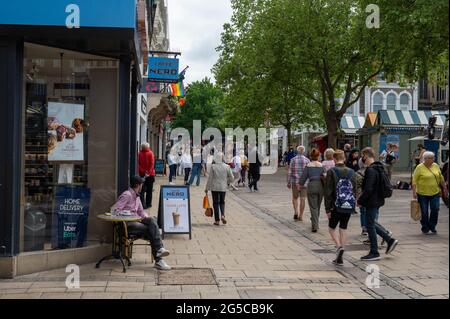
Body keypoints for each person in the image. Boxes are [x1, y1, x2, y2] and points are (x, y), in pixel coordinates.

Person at [112, 176, 171, 270]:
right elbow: (114, 210)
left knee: (152, 222)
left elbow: (141, 213)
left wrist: (150, 220)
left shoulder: (137, 197)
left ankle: (159, 254)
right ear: (138, 185)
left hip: (137, 222)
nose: (142, 186)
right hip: (127, 225)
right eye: (141, 184)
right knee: (151, 230)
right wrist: (127, 214)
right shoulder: (127, 195)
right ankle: (159, 258)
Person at [358, 147, 399, 261]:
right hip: (377, 199)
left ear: (366, 156)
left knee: (369, 225)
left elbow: (369, 188)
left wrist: (360, 201)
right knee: (370, 222)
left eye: (363, 156)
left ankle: (374, 251)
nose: (362, 159)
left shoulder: (371, 170)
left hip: (372, 200)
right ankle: (389, 240)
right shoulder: (379, 167)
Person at [324, 150, 357, 266]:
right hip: (348, 204)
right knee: (343, 228)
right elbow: (355, 189)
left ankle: (339, 248)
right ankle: (341, 254)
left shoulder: (331, 171)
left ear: (334, 159)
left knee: (331, 228)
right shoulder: (352, 171)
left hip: (336, 205)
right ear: (344, 158)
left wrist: (327, 209)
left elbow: (328, 191)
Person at [412, 151, 447, 234]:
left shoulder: (436, 166)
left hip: (435, 192)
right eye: (431, 158)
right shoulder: (419, 167)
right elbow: (414, 180)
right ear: (425, 159)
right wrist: (414, 192)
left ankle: (432, 225)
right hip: (422, 193)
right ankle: (425, 227)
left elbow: (440, 177)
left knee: (435, 209)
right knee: (424, 211)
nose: (433, 159)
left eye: (433, 158)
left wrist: (445, 188)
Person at [205, 152, 234, 226]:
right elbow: (232, 178)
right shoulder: (227, 166)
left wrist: (207, 188)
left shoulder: (213, 166)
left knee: (215, 203)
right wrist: (227, 182)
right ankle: (223, 215)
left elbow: (210, 178)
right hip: (223, 187)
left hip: (214, 187)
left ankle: (217, 220)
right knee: (222, 202)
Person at [299, 148, 325, 232]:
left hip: (311, 186)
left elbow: (303, 177)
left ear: (310, 156)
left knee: (313, 207)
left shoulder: (308, 166)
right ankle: (315, 222)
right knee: (318, 206)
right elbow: (325, 176)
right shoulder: (322, 166)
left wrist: (300, 185)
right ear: (318, 156)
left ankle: (315, 225)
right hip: (320, 186)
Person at [287, 146, 310, 221]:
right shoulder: (307, 160)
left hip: (295, 182)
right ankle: (301, 215)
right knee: (303, 199)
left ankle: (296, 212)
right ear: (303, 151)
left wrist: (289, 182)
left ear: (297, 151)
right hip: (304, 183)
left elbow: (290, 171)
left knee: (295, 198)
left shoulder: (293, 160)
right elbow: (308, 172)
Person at [138, 143, 155, 209]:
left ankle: (142, 204)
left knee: (141, 190)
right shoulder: (150, 153)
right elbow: (152, 164)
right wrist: (148, 172)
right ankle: (148, 204)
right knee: (149, 190)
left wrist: (143, 171)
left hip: (142, 174)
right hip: (150, 175)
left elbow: (138, 164)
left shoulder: (139, 153)